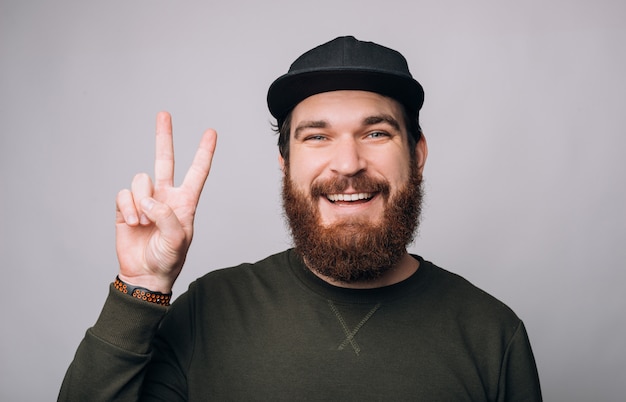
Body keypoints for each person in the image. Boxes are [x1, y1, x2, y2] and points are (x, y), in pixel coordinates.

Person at [59, 36, 542, 401]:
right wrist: (140, 287)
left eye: (375, 133)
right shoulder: (209, 310)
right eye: (317, 137)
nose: (348, 163)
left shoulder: (492, 335)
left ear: (417, 155)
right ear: (285, 162)